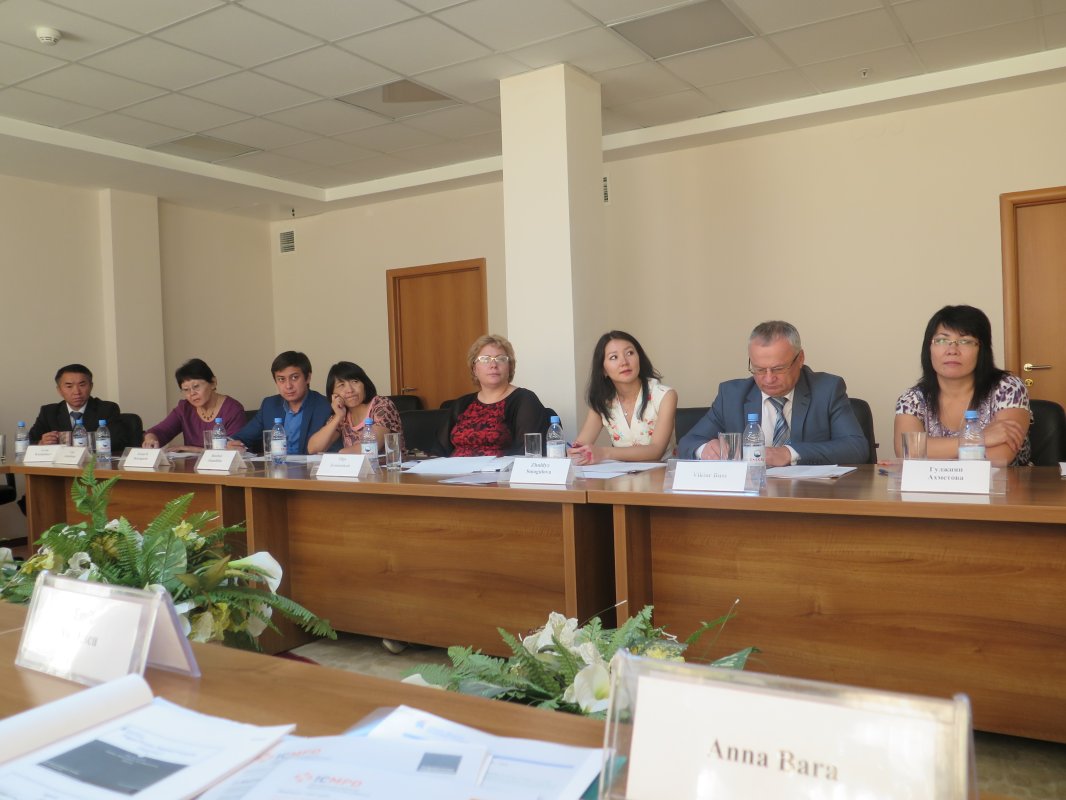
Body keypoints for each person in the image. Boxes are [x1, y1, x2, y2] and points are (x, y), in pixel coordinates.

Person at [677, 321, 868, 465]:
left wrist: (789, 453)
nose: (768, 379)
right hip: (750, 497)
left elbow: (856, 448)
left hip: (809, 496)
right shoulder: (732, 395)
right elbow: (688, 442)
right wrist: (705, 449)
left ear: (800, 359)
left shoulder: (827, 389)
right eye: (759, 369)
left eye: (778, 369)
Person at [894, 305, 1030, 465]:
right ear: (928, 348)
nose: (952, 350)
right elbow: (908, 451)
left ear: (982, 350)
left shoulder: (1008, 388)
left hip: (1004, 481)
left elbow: (999, 458)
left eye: (965, 341)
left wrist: (929, 453)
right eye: (942, 340)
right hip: (934, 483)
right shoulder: (912, 399)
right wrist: (980, 439)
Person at [568, 331, 678, 465]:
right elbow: (580, 446)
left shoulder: (665, 395)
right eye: (614, 357)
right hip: (622, 476)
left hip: (662, 473)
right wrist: (577, 452)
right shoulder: (602, 402)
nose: (624, 362)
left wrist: (604, 453)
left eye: (630, 353)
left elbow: (656, 451)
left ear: (639, 358)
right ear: (603, 370)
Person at [436, 334, 548, 457]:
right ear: (474, 369)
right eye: (485, 359)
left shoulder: (524, 400)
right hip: (455, 468)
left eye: (501, 359)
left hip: (502, 469)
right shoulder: (461, 404)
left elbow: (528, 455)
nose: (493, 365)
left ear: (510, 367)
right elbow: (439, 450)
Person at [230, 351, 336, 455]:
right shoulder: (269, 405)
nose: (288, 386)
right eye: (281, 379)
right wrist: (232, 444)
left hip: (310, 466)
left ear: (307, 378)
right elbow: (241, 437)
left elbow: (333, 450)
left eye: (294, 377)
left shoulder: (326, 406)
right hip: (276, 465)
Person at [142, 358, 246, 451]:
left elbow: (233, 449)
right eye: (186, 389)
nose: (192, 393)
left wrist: (191, 449)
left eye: (196, 386)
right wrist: (151, 439)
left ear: (213, 382)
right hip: (192, 466)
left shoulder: (232, 409)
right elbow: (159, 431)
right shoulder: (184, 408)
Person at [29, 364, 131, 453]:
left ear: (91, 386)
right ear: (59, 390)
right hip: (61, 466)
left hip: (94, 465)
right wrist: (41, 443)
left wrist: (74, 443)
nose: (77, 392)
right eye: (69, 386)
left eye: (82, 385)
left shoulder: (107, 409)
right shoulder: (49, 412)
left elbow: (117, 442)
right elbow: (28, 441)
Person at [307, 361, 404, 455]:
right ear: (333, 394)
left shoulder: (382, 405)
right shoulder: (342, 414)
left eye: (355, 382)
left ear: (364, 385)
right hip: (358, 466)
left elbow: (372, 447)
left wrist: (342, 454)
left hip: (392, 465)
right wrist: (338, 417)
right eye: (341, 385)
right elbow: (313, 449)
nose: (350, 390)